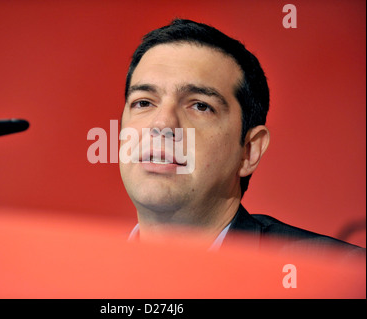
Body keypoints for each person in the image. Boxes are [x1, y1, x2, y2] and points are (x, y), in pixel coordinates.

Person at [119, 18, 364, 257]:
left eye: (201, 106)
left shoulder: (341, 274)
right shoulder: (85, 275)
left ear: (249, 150)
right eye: (143, 102)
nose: (162, 123)